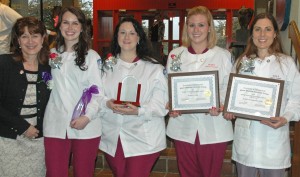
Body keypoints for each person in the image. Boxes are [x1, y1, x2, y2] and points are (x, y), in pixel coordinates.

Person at [224, 13, 300, 177]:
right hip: (246, 141)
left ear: (275, 34)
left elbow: (297, 98)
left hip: (274, 142)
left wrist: (286, 117)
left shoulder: (286, 63)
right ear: (252, 34)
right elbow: (231, 95)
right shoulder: (241, 63)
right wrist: (229, 108)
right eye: (257, 29)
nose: (262, 34)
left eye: (267, 29)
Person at [166, 6, 233, 177]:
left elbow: (228, 86)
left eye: (201, 25)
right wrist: (170, 104)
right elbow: (169, 86)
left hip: (214, 125)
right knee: (187, 173)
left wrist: (222, 104)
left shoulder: (223, 55)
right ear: (186, 28)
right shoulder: (175, 55)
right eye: (192, 25)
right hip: (182, 125)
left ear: (210, 27)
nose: (196, 30)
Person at [99, 17, 168, 177]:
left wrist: (139, 111)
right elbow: (97, 96)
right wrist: (107, 104)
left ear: (139, 38)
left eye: (132, 33)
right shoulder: (106, 66)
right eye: (122, 32)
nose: (126, 37)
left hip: (143, 138)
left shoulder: (154, 69)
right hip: (113, 137)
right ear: (117, 37)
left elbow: (161, 105)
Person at [43, 7, 102, 177]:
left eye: (75, 23)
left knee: (84, 173)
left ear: (82, 27)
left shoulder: (91, 56)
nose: (70, 27)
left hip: (86, 125)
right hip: (56, 124)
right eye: (66, 22)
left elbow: (98, 92)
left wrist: (87, 116)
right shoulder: (49, 55)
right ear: (59, 26)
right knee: (55, 173)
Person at [0, 16, 50, 176]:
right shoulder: (4, 63)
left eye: (35, 35)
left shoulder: (48, 69)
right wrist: (23, 127)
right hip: (8, 140)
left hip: (37, 142)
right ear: (18, 41)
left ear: (43, 39)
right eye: (24, 36)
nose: (30, 41)